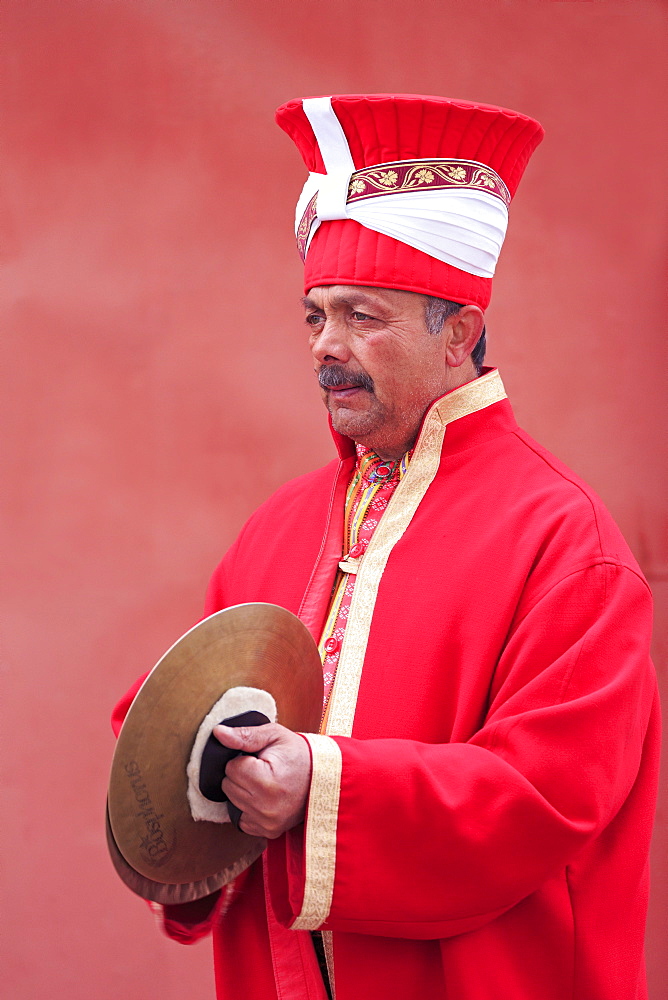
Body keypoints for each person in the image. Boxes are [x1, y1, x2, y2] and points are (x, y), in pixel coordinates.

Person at [112, 94, 659, 1000]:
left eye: (363, 317)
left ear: (462, 330)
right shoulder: (276, 525)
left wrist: (319, 786)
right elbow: (167, 722)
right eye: (314, 315)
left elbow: (547, 797)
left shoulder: (568, 541)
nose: (326, 347)